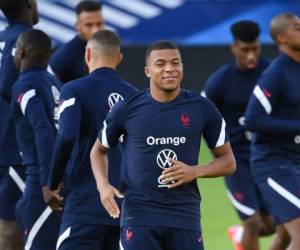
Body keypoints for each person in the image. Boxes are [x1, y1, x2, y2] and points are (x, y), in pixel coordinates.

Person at [90, 40, 236, 250]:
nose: (170, 69)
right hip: (139, 216)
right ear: (148, 71)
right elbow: (98, 149)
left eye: (175, 63)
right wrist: (103, 186)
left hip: (184, 215)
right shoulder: (126, 108)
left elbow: (228, 161)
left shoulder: (202, 108)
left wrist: (195, 171)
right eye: (161, 64)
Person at [46, 29, 137, 250]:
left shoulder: (73, 89)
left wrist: (53, 181)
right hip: (124, 208)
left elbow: (66, 136)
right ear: (119, 58)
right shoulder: (135, 96)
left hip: (84, 206)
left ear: (87, 55)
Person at [203, 21, 275, 250]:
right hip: (237, 163)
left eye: (255, 48)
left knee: (273, 224)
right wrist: (219, 151)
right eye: (245, 50)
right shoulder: (220, 82)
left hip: (268, 157)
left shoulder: (273, 73)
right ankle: (246, 230)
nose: (251, 55)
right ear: (234, 47)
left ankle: (240, 235)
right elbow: (202, 116)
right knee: (253, 221)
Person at [245, 12, 300, 250]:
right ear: (282, 38)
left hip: (295, 161)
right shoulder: (276, 73)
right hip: (274, 163)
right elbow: (252, 119)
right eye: (297, 27)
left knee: (285, 237)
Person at [11, 29, 62, 250]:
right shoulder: (56, 84)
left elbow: (42, 128)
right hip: (65, 180)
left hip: (41, 184)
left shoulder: (24, 85)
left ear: (20, 52)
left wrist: (47, 182)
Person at [0, 0, 38, 249]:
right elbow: (9, 87)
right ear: (28, 4)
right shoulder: (28, 40)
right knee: (14, 228)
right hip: (14, 149)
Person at [48, 0, 104, 83]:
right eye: (89, 25)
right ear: (78, 25)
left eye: (99, 24)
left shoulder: (107, 50)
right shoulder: (64, 57)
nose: (95, 30)